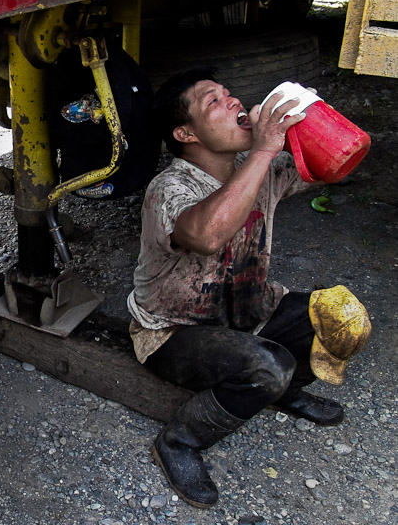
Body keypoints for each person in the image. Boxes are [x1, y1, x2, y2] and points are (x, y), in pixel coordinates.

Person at [127, 69, 371, 508]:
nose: (235, 101)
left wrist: (309, 119)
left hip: (248, 313)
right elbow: (207, 235)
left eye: (228, 93)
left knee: (342, 318)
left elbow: (334, 165)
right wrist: (263, 149)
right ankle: (180, 441)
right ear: (186, 133)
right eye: (214, 102)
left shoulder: (256, 168)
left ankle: (287, 390)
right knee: (267, 366)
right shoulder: (168, 187)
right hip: (174, 333)